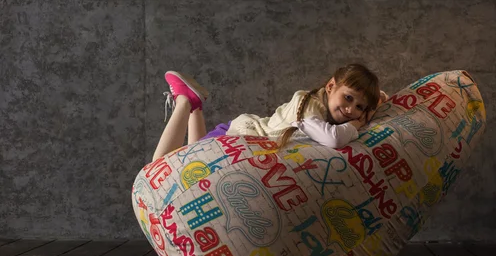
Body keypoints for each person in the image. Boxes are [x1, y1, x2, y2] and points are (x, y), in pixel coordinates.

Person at [152, 64, 386, 161]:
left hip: (240, 138)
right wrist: (357, 125)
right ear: (331, 86)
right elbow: (332, 139)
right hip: (235, 135)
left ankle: (196, 106)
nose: (350, 109)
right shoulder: (309, 104)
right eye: (348, 98)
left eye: (360, 107)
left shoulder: (326, 111)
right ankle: (184, 101)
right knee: (160, 165)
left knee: (188, 163)